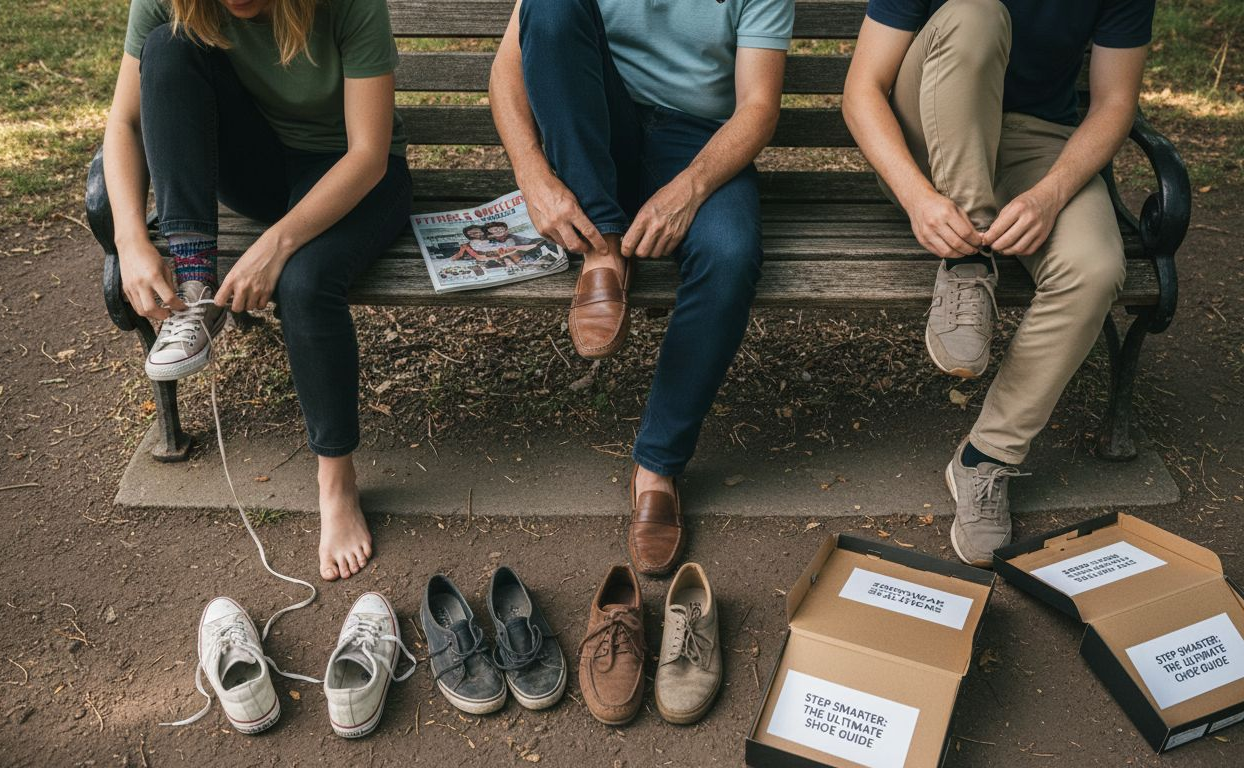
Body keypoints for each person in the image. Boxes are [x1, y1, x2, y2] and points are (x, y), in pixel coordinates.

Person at [103, 0, 412, 581]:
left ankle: (336, 483)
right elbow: (124, 123)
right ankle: (196, 283)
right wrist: (131, 241)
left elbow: (369, 154)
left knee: (303, 281)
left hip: (352, 170)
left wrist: (277, 244)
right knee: (168, 46)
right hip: (258, 168)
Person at [842, 0, 1153, 566]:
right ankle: (967, 262)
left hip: (1038, 146)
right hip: (931, 137)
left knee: (1094, 268)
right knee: (976, 11)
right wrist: (917, 198)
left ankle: (986, 458)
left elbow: (1114, 102)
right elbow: (863, 89)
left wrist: (1051, 194)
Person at [489, 0, 794, 576]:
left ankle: (658, 466)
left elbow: (757, 106)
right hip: (594, 129)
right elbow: (509, 69)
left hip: (698, 143)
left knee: (730, 256)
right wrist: (533, 175)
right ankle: (603, 251)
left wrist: (690, 189)